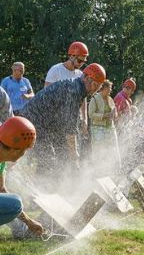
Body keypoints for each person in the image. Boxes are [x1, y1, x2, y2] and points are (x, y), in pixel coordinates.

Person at [19, 64, 106, 192]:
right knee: (48, 159)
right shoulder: (74, 91)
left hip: (43, 124)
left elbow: (70, 125)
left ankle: (57, 191)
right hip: (33, 122)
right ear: (89, 80)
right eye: (97, 86)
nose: (96, 91)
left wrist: (70, 154)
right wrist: (74, 156)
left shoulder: (77, 88)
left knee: (60, 156)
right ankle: (39, 196)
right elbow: (69, 129)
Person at [0, 117, 45, 238]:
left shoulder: (1, 160)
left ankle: (21, 230)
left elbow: (1, 190)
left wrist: (29, 222)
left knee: (11, 205)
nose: (24, 154)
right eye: (25, 150)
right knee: (15, 203)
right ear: (16, 150)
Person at [89, 80, 120, 170]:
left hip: (110, 129)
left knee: (111, 151)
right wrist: (104, 116)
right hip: (98, 129)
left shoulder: (110, 99)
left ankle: (110, 169)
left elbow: (114, 111)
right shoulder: (94, 99)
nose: (111, 90)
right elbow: (91, 114)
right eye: (109, 88)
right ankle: (98, 170)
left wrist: (115, 114)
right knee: (99, 152)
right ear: (104, 88)